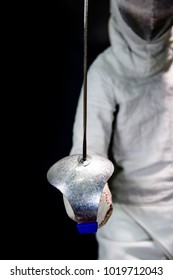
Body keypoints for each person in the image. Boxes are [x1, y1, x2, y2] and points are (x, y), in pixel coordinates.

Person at [68, 0, 173, 259]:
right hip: (128, 216)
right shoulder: (106, 71)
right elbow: (88, 149)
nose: (149, 17)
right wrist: (85, 189)